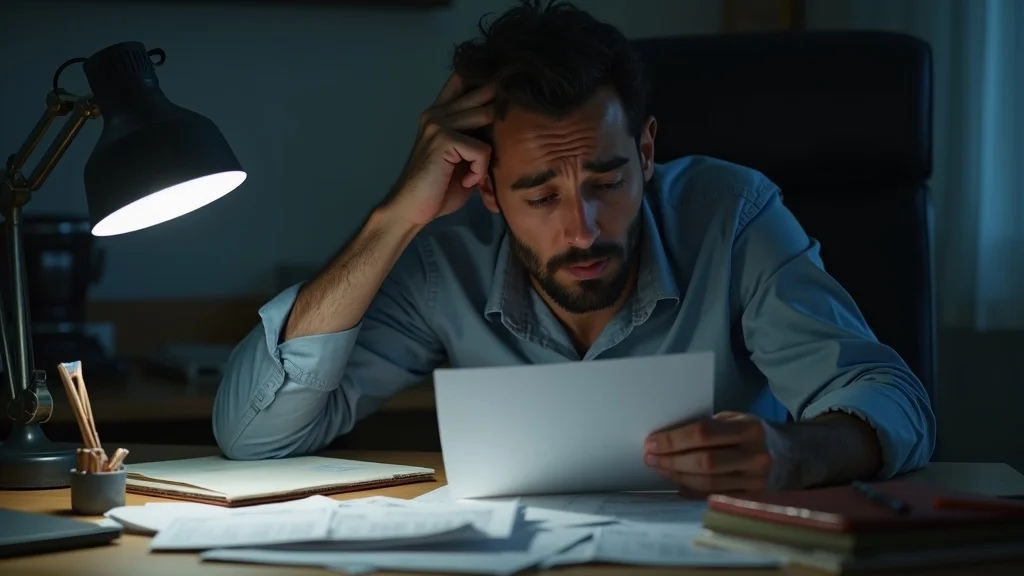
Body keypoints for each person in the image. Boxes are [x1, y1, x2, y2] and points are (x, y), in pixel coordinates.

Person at [213, 0, 935, 494]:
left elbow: (894, 401)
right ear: (488, 187)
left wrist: (794, 453)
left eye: (607, 180)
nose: (584, 229)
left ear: (646, 152)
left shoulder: (731, 215)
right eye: (539, 196)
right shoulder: (445, 257)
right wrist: (394, 219)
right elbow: (254, 434)